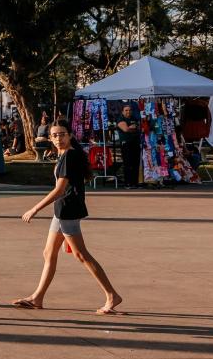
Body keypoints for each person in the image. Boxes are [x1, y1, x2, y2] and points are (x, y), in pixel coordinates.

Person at [13, 120, 124, 315]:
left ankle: (111, 295)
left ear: (70, 135)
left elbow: (59, 189)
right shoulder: (65, 154)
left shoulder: (69, 156)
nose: (58, 138)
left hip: (68, 210)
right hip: (62, 210)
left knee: (81, 255)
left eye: (62, 134)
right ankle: (37, 298)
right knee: (49, 253)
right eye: (54, 135)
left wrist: (34, 209)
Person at [116, 103, 142, 188]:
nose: (128, 112)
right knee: (128, 164)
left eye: (130, 110)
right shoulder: (120, 119)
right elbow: (125, 129)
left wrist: (132, 128)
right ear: (122, 111)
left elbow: (139, 128)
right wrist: (132, 128)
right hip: (126, 144)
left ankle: (135, 183)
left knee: (135, 163)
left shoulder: (134, 118)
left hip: (136, 143)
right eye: (126, 110)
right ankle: (127, 183)